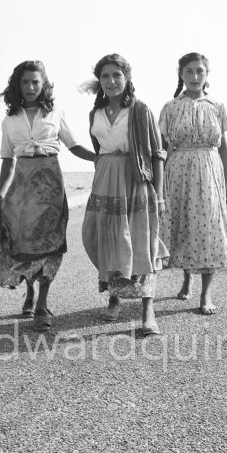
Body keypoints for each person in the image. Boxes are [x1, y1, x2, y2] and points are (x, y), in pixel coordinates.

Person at [0, 60, 95, 332]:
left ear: (44, 84)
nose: (30, 87)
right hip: (22, 184)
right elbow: (7, 160)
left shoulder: (56, 113)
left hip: (50, 182)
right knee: (24, 242)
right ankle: (30, 291)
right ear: (17, 85)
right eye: (25, 82)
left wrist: (100, 158)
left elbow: (74, 146)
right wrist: (0, 196)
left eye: (35, 82)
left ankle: (42, 304)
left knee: (51, 243)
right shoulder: (9, 120)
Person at [81, 54, 168, 336]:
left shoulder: (140, 110)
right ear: (99, 82)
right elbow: (98, 150)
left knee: (140, 242)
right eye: (105, 76)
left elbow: (157, 153)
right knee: (103, 238)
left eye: (117, 75)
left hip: (135, 179)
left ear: (127, 78)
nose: (111, 81)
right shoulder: (95, 113)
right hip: (105, 179)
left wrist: (160, 193)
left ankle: (148, 311)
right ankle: (114, 296)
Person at [159, 52, 227, 315]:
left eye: (199, 71)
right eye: (189, 71)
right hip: (177, 169)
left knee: (208, 227)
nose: (194, 77)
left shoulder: (217, 105)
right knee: (182, 224)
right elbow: (163, 148)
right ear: (181, 74)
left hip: (209, 169)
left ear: (206, 74)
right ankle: (187, 278)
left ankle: (206, 293)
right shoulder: (170, 107)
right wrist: (158, 184)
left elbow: (223, 148)